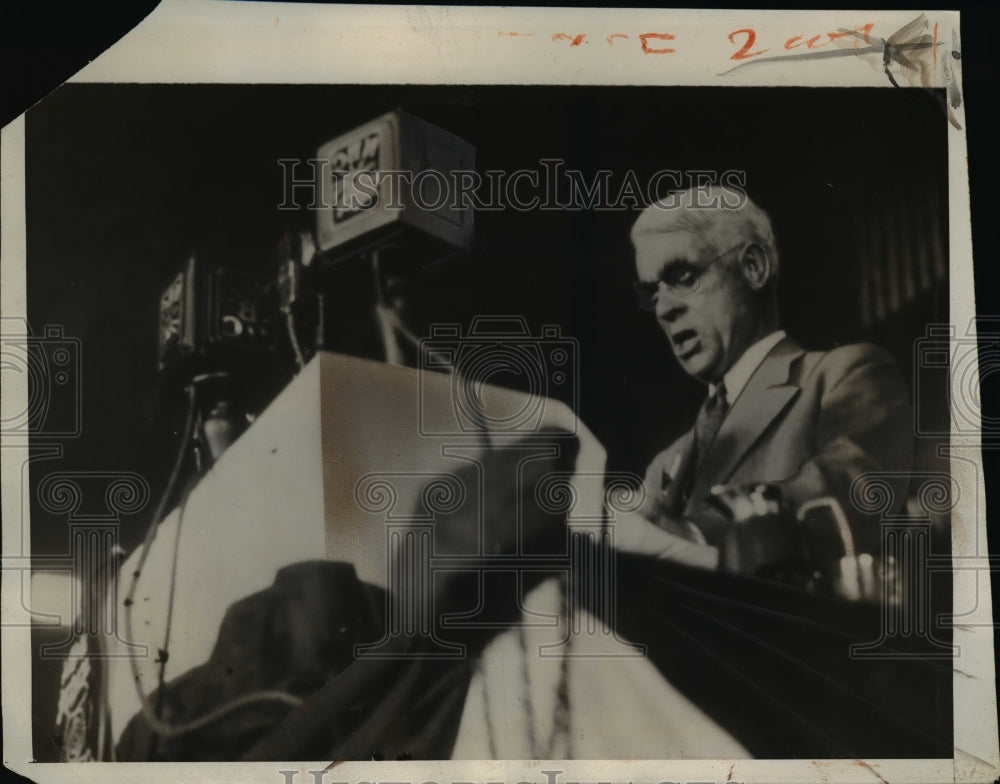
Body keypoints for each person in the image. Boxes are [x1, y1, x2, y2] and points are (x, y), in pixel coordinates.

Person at [612, 184, 914, 577]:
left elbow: (852, 493)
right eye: (652, 292)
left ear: (753, 267)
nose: (664, 309)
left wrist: (693, 533)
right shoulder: (666, 464)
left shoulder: (844, 375)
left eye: (682, 276)